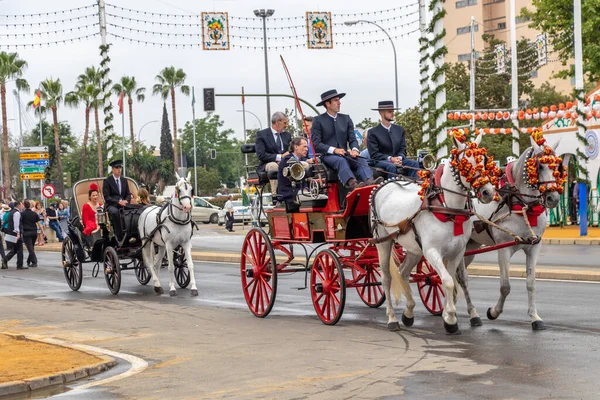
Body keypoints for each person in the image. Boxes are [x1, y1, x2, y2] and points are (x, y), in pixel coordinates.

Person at [311, 89, 381, 188]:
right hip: (328, 156)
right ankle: (352, 184)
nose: (339, 103)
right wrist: (334, 150)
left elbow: (352, 139)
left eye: (339, 100)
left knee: (360, 159)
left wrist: (354, 149)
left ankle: (369, 181)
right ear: (328, 104)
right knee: (340, 161)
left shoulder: (346, 118)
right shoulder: (318, 120)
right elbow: (317, 144)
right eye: (336, 100)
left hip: (345, 154)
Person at [367, 101, 420, 179]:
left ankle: (413, 188)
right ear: (381, 113)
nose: (392, 113)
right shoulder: (373, 132)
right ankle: (392, 189)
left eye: (393, 111)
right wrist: (391, 159)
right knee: (391, 166)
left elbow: (403, 149)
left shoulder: (399, 129)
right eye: (389, 111)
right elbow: (374, 154)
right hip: (382, 161)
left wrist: (399, 158)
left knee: (414, 164)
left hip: (398, 159)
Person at [255, 111, 292, 196]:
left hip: (286, 163)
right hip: (268, 164)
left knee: (304, 164)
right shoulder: (262, 135)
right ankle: (276, 195)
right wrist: (280, 157)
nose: (286, 125)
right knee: (273, 166)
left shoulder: (287, 135)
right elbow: (261, 155)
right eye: (285, 123)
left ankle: (303, 192)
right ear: (277, 122)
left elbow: (291, 151)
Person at [278, 137, 313, 212]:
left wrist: (306, 188)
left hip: (298, 192)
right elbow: (297, 179)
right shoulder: (288, 160)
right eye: (304, 146)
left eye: (307, 147)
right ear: (296, 147)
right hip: (289, 194)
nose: (307, 149)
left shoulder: (296, 160)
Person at [103, 159, 131, 240]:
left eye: (120, 167)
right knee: (115, 212)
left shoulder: (124, 180)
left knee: (134, 211)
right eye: (117, 167)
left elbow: (128, 194)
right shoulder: (107, 181)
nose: (119, 169)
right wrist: (119, 202)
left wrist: (126, 201)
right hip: (111, 205)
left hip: (124, 203)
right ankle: (119, 235)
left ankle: (131, 232)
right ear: (113, 169)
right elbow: (107, 197)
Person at [3, 200, 25, 270]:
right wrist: (18, 234)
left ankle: (5, 259)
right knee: (20, 249)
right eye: (21, 205)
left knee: (15, 249)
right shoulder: (17, 213)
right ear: (18, 205)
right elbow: (16, 224)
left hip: (11, 233)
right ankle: (19, 265)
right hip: (15, 233)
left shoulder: (11, 212)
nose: (22, 206)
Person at [21, 200, 42, 268]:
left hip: (26, 232)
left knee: (30, 248)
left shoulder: (22, 214)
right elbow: (39, 223)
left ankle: (34, 261)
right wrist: (42, 231)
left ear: (24, 206)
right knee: (31, 247)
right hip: (34, 232)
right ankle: (28, 261)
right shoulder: (34, 213)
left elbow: (20, 223)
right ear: (30, 206)